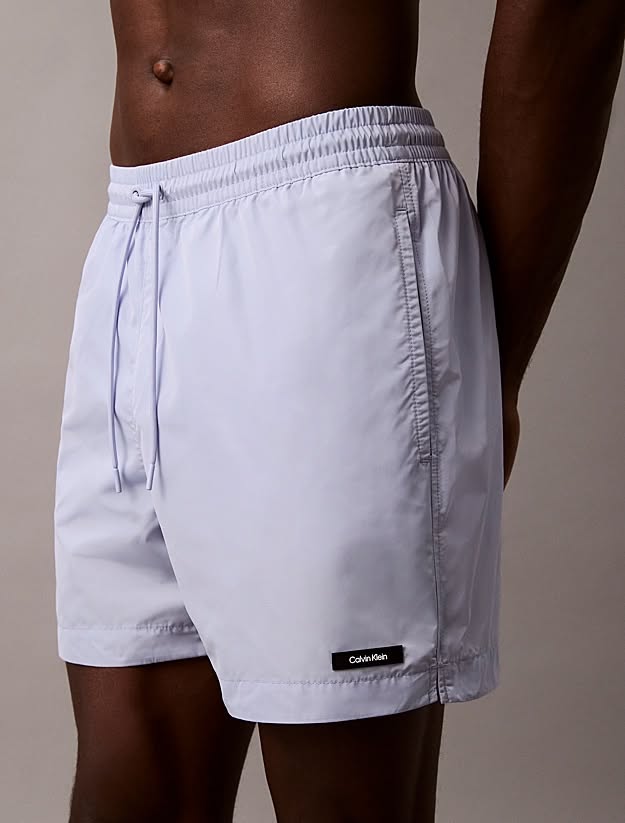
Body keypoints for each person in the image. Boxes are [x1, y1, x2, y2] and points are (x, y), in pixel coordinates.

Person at [53, 1, 625, 821]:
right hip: (135, 237)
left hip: (326, 227)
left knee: (342, 795)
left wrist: (488, 360)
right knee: (128, 778)